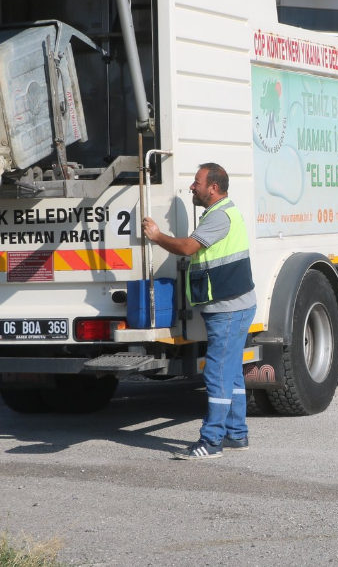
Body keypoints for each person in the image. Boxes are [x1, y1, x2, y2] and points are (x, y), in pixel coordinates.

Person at [143, 163, 255, 460]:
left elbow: (188, 248)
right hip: (233, 305)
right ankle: (236, 433)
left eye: (197, 182)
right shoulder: (222, 212)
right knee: (230, 374)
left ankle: (212, 440)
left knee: (217, 372)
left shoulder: (219, 217)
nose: (193, 186)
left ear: (213, 188)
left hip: (229, 307)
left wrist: (157, 236)